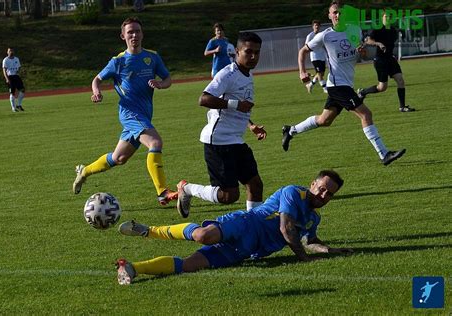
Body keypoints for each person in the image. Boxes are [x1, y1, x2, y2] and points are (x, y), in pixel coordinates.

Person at [115, 170, 354, 285]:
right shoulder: (294, 192)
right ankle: (150, 230)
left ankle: (132, 269)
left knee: (189, 266)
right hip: (246, 225)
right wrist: (303, 259)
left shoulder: (314, 219)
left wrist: (330, 251)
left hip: (247, 250)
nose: (323, 195)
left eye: (329, 194)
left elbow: (309, 241)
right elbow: (286, 229)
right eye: (321, 188)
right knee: (203, 235)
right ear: (313, 183)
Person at [282, 1, 406, 166]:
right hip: (337, 85)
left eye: (340, 12)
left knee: (324, 120)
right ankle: (384, 154)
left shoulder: (354, 30)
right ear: (330, 15)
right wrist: (302, 72)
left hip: (346, 84)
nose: (338, 15)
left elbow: (362, 54)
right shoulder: (324, 36)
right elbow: (302, 51)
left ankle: (290, 130)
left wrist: (362, 52)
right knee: (366, 114)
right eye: (335, 12)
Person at [72, 17, 177, 206]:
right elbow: (96, 79)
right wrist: (97, 92)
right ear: (123, 36)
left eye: (137, 31)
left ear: (142, 34)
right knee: (155, 142)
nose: (134, 35)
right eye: (130, 32)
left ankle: (84, 171)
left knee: (119, 158)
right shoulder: (118, 61)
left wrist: (161, 84)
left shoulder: (152, 57)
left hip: (143, 114)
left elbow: (168, 78)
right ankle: (162, 192)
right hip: (129, 113)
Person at [175, 32, 267, 218]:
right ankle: (187, 189)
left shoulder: (247, 74)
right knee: (229, 196)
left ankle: (254, 226)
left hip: (235, 140)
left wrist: (250, 124)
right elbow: (204, 99)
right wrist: (236, 105)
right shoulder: (227, 74)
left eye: (257, 53)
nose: (253, 57)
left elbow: (239, 103)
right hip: (218, 142)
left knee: (255, 185)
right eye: (248, 52)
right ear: (237, 52)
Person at [357, 12, 416, 112]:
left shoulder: (393, 30)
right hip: (380, 60)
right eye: (386, 16)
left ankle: (402, 107)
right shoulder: (377, 28)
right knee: (382, 87)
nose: (388, 18)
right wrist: (378, 43)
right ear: (382, 18)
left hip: (390, 58)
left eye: (390, 17)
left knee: (400, 80)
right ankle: (363, 92)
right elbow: (368, 40)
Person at [304, 20, 328, 94]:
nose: (316, 27)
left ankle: (310, 84)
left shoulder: (321, 35)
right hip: (314, 57)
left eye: (318, 25)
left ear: (320, 26)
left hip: (322, 56)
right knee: (319, 73)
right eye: (315, 25)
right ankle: (325, 88)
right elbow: (306, 46)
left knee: (321, 73)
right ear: (312, 26)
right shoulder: (310, 36)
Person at [2, 47, 25, 112]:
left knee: (22, 90)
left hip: (16, 76)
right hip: (10, 77)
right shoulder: (5, 60)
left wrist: (20, 73)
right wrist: (7, 79)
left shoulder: (16, 59)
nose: (11, 52)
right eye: (9, 51)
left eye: (12, 51)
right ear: (7, 52)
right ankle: (13, 108)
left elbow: (18, 68)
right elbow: (4, 70)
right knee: (12, 92)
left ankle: (19, 105)